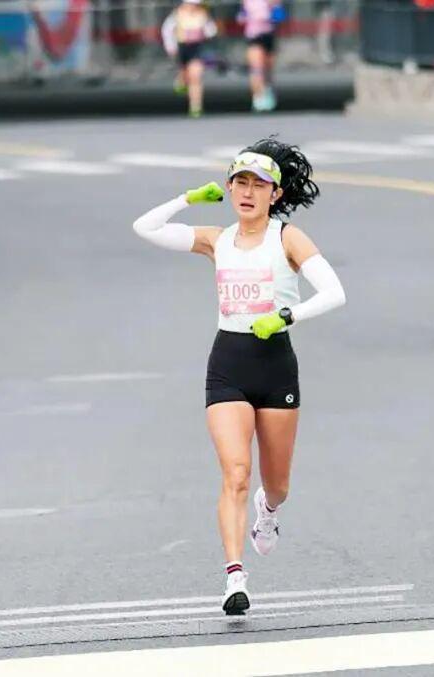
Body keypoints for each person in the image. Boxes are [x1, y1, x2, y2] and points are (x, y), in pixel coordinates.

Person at [131, 139, 346, 614]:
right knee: (236, 473)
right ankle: (234, 577)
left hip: (275, 365)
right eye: (240, 183)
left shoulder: (288, 238)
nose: (248, 192)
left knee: (277, 484)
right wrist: (188, 198)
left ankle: (268, 513)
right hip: (228, 363)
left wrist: (286, 316)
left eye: (259, 185)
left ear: (275, 194)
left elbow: (335, 292)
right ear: (229, 188)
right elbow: (144, 227)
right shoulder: (217, 239)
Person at [161, 0, 217, 118]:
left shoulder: (203, 14)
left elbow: (211, 31)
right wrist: (171, 47)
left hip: (196, 48)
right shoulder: (177, 14)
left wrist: (204, 31)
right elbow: (167, 31)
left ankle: (195, 106)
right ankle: (181, 81)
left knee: (195, 77)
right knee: (185, 75)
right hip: (182, 48)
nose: (193, 7)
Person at [239, 0, 282, 112]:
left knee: (268, 68)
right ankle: (258, 96)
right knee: (257, 68)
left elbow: (279, 15)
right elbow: (241, 17)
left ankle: (268, 91)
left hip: (268, 35)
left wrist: (273, 6)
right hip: (254, 36)